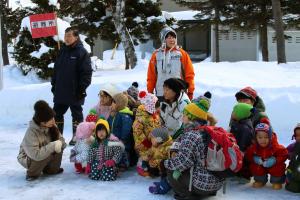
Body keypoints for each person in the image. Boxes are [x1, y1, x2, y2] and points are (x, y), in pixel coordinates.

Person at [159, 98, 223, 199]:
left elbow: (183, 162)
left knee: (171, 168)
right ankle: (206, 192)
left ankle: (185, 194)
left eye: (184, 115)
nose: (182, 118)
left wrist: (165, 163)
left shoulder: (192, 135)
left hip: (202, 185)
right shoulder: (208, 131)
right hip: (216, 183)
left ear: (190, 117)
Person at [51, 26, 93, 145]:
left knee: (76, 114)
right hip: (61, 90)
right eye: (65, 36)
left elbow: (86, 73)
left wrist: (82, 88)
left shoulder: (81, 52)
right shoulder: (62, 51)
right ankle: (58, 137)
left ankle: (77, 137)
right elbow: (56, 70)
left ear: (76, 37)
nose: (67, 38)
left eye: (69, 36)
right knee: (57, 114)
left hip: (75, 90)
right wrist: (54, 85)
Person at [17, 100, 66, 181]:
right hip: (29, 157)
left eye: (53, 117)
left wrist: (60, 144)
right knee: (46, 152)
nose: (53, 121)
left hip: (44, 153)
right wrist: (53, 145)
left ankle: (50, 170)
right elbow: (35, 154)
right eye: (50, 119)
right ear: (42, 122)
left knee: (58, 149)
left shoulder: (52, 126)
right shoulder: (31, 132)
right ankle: (32, 173)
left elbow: (62, 143)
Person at [147, 26, 195, 101]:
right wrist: (150, 92)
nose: (172, 40)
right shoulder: (156, 55)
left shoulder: (182, 54)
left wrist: (190, 91)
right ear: (163, 39)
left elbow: (189, 74)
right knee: (162, 113)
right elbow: (151, 76)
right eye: (168, 37)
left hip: (178, 94)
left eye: (173, 37)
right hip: (161, 94)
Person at [245, 123, 288, 190]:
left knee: (278, 167)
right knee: (255, 166)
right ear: (255, 137)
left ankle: (277, 181)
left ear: (270, 137)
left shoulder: (275, 146)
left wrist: (275, 160)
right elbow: (248, 155)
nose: (263, 140)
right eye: (260, 137)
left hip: (273, 165)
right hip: (261, 165)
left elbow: (284, 154)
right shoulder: (254, 147)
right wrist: (254, 159)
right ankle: (260, 180)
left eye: (266, 137)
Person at [133, 91, 161, 177]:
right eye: (156, 108)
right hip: (144, 143)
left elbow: (157, 125)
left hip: (153, 141)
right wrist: (145, 142)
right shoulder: (141, 117)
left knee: (154, 155)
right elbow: (137, 131)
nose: (157, 110)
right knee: (145, 155)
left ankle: (154, 167)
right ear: (150, 107)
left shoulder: (154, 115)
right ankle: (141, 167)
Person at [108, 93, 136, 169]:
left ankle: (124, 164)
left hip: (123, 141)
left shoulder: (125, 115)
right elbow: (108, 125)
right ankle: (115, 162)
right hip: (114, 140)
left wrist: (123, 139)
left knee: (124, 152)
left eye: (113, 103)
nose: (111, 105)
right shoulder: (115, 114)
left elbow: (126, 128)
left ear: (119, 104)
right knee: (115, 151)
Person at [285, 123, 300, 193]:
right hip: (294, 171)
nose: (299, 137)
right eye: (297, 135)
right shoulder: (293, 145)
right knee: (292, 188)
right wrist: (290, 155)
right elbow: (285, 151)